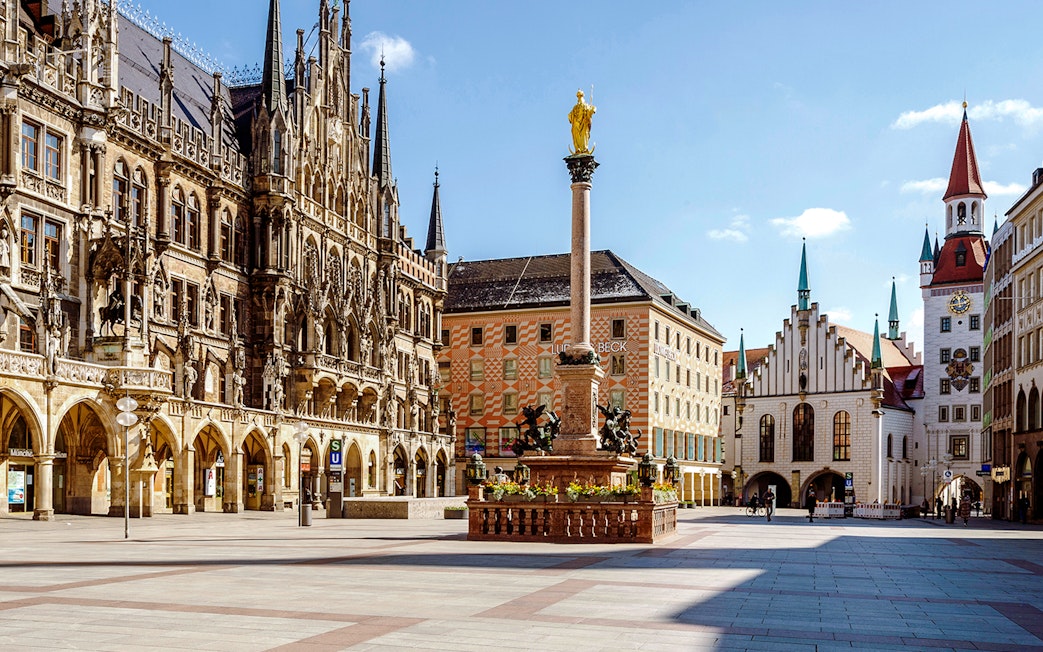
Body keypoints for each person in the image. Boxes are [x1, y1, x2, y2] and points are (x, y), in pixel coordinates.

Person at [567, 90, 596, 154]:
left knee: (584, 135)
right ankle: (578, 149)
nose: (579, 98)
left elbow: (590, 112)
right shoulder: (575, 107)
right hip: (576, 125)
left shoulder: (586, 105)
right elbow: (570, 115)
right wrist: (570, 116)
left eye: (580, 96)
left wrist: (592, 110)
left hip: (584, 124)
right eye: (578, 97)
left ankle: (584, 148)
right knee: (576, 135)